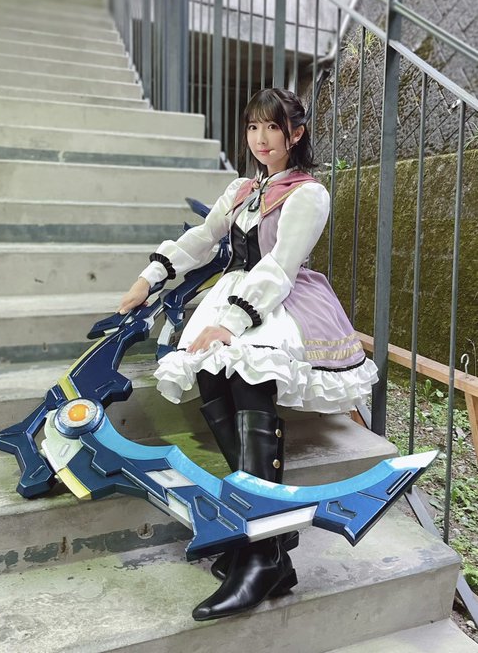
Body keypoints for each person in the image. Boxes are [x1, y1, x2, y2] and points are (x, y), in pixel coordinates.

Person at [119, 87, 378, 621]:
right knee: (212, 383)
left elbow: (280, 266)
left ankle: (261, 556)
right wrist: (150, 276)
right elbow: (202, 238)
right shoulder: (241, 189)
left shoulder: (308, 194)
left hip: (275, 302)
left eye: (273, 127)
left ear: (296, 134)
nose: (261, 139)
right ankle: (266, 541)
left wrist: (230, 323)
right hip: (232, 297)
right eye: (253, 127)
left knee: (246, 381)